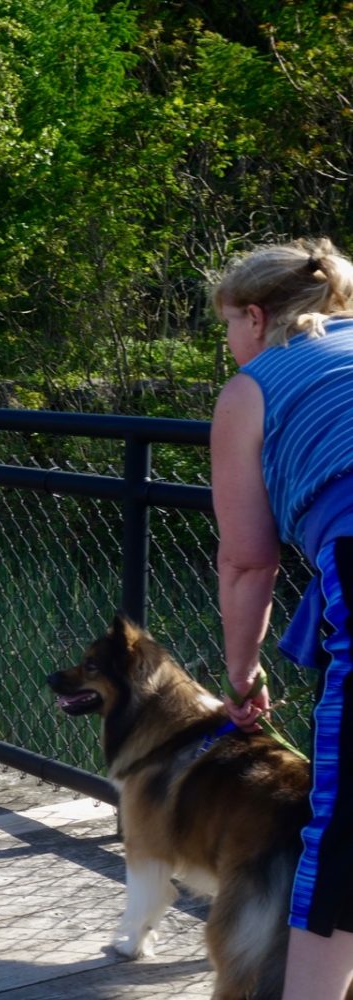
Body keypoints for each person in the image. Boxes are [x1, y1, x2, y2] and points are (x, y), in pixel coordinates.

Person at [211, 236, 353, 998]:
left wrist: (243, 673)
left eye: (227, 325)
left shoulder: (253, 388)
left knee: (338, 838)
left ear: (257, 319)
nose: (229, 345)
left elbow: (247, 562)